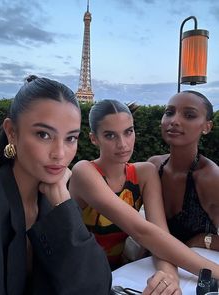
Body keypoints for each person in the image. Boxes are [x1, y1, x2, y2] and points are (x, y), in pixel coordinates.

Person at [69, 99, 219, 295]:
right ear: (93, 138)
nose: (122, 144)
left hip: (119, 274)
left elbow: (158, 235)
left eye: (128, 132)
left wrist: (169, 277)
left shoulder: (145, 173)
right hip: (74, 274)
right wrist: (215, 272)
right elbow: (141, 231)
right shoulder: (84, 172)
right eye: (110, 135)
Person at [0, 75, 111, 295]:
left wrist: (62, 199)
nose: (60, 154)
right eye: (43, 135)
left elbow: (96, 288)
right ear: (12, 132)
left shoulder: (53, 200)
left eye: (71, 138)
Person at [148, 90, 219, 250]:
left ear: (207, 127)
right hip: (148, 266)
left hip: (193, 271)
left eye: (189, 115)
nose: (174, 120)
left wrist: (201, 240)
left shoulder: (211, 177)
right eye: (169, 112)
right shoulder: (154, 166)